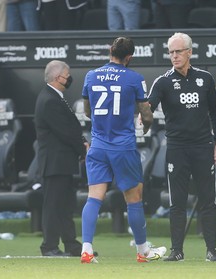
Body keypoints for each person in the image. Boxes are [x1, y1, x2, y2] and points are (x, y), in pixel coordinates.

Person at [80, 36, 167, 264]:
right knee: (134, 198)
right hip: (123, 146)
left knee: (94, 198)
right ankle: (142, 251)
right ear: (129, 57)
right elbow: (146, 114)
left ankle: (86, 250)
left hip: (98, 145)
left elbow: (87, 110)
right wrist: (145, 126)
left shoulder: (91, 75)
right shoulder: (135, 78)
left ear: (110, 51)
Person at [148, 32, 216, 262]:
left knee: (208, 200)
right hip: (177, 148)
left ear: (189, 52)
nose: (174, 56)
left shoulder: (205, 78)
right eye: (170, 52)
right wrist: (141, 115)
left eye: (178, 51)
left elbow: (215, 112)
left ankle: (212, 250)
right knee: (177, 202)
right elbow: (147, 109)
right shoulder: (162, 81)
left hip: (203, 146)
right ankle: (177, 250)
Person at [34, 60, 89, 257]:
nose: (69, 78)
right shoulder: (49, 100)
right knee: (53, 205)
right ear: (59, 78)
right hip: (55, 163)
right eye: (67, 75)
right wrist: (83, 148)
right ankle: (49, 246)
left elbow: (70, 128)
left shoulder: (54, 97)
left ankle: (71, 244)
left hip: (62, 163)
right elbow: (65, 131)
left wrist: (82, 141)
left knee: (65, 205)